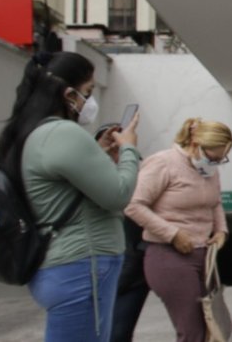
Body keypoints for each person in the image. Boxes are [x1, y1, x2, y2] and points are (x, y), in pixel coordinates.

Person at [0, 52, 141, 342]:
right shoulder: (63, 132)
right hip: (82, 266)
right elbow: (118, 195)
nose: (90, 101)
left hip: (60, 265)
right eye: (88, 91)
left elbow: (62, 189)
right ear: (69, 94)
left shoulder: (28, 133)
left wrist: (96, 154)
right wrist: (129, 149)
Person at [125, 118, 232, 342]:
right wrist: (172, 234)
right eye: (213, 158)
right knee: (192, 331)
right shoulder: (163, 163)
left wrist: (221, 230)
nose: (215, 164)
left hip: (203, 255)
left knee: (212, 329)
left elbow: (215, 203)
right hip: (169, 256)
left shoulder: (208, 169)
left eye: (221, 160)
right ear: (195, 145)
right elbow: (133, 205)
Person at [92, 122, 150, 342]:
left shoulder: (142, 173)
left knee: (118, 333)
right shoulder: (88, 178)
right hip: (96, 266)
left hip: (132, 267)